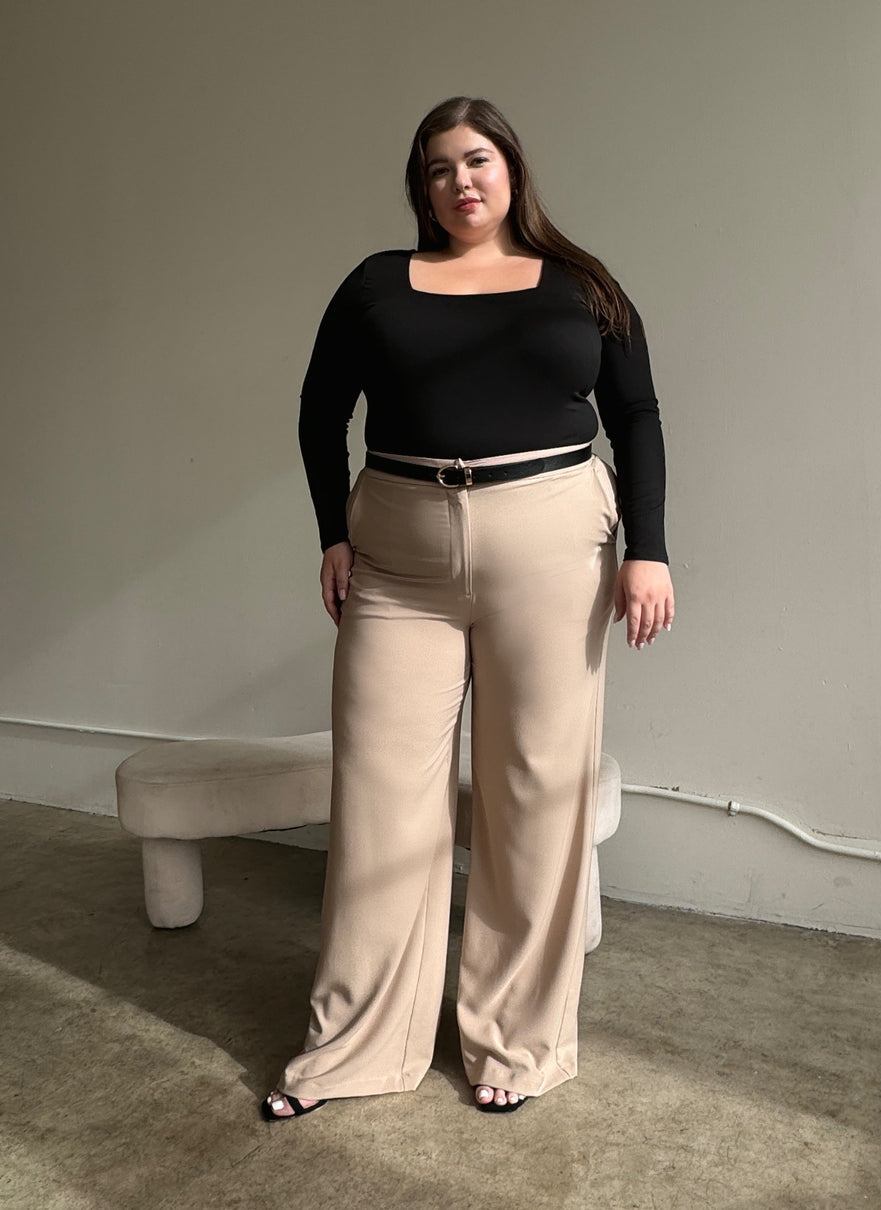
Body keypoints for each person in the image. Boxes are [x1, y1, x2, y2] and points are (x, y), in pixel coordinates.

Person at [262, 95, 674, 1121]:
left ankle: (518, 1042)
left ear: (512, 169)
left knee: (535, 787)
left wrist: (650, 550)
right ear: (423, 186)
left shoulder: (581, 285)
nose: (461, 181)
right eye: (439, 167)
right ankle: (356, 1046)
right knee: (379, 793)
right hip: (400, 554)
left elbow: (636, 414)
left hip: (554, 545)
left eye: (477, 159)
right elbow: (319, 411)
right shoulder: (376, 284)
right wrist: (331, 532)